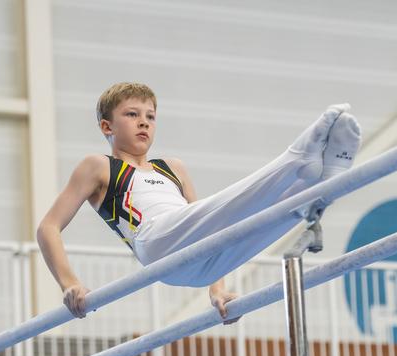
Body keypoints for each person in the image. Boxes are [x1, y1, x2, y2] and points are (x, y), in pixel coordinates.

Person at [37, 82, 361, 323]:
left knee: (257, 224)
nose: (144, 122)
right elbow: (48, 227)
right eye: (132, 114)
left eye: (150, 116)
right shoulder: (98, 166)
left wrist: (217, 291)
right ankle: (296, 159)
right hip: (157, 245)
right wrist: (70, 283)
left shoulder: (172, 168)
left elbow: (215, 221)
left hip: (201, 261)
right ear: (107, 126)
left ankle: (317, 185)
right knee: (231, 207)